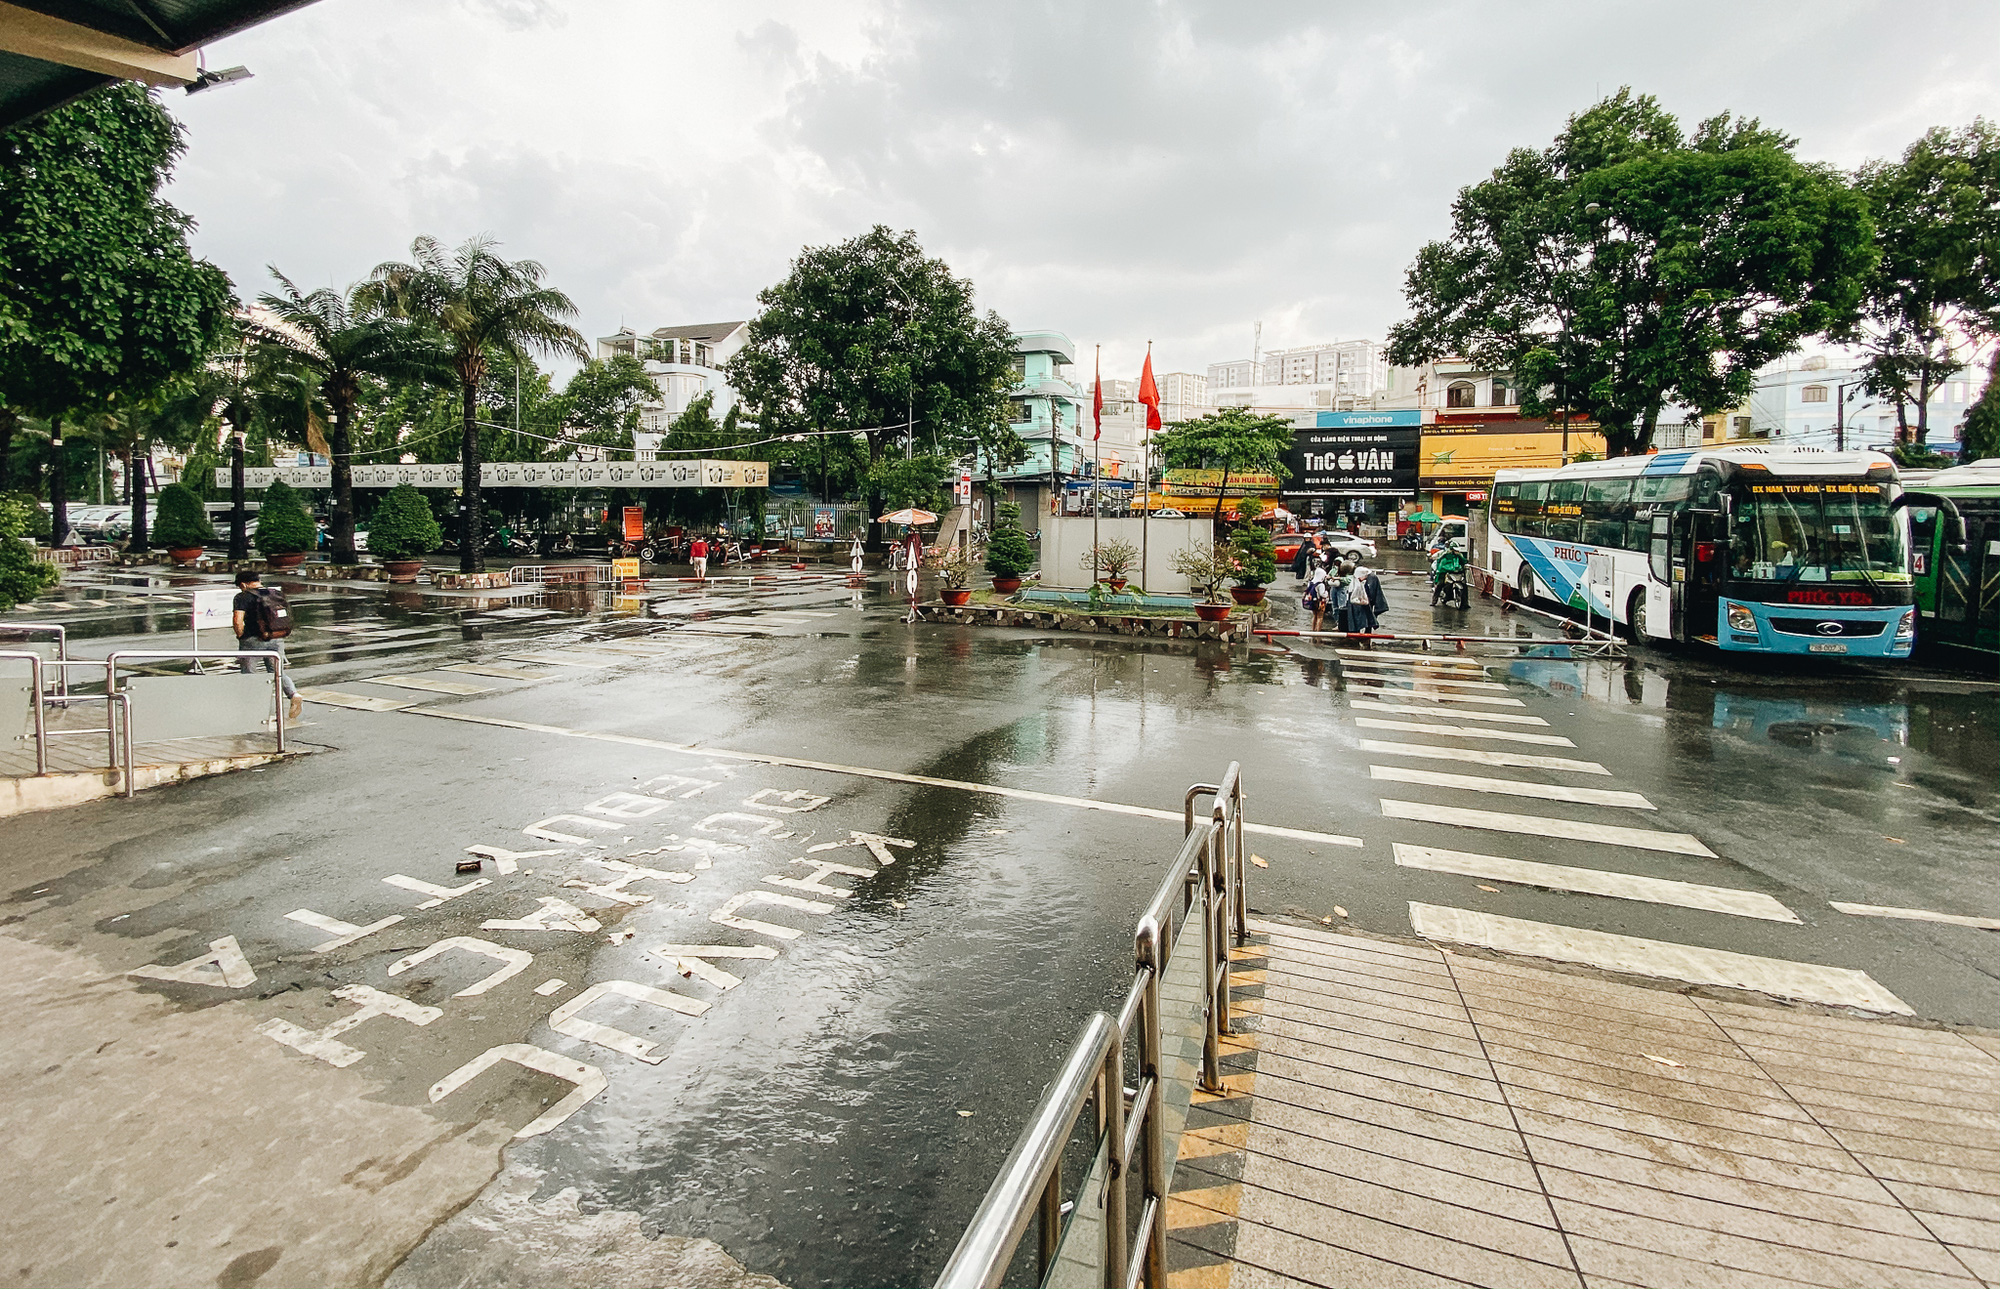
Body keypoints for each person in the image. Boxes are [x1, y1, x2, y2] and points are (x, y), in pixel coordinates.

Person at [232, 569, 302, 721]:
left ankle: (252, 707)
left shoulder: (242, 596)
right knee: (278, 672)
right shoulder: (274, 593)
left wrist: (241, 636)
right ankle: (294, 694)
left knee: (248, 673)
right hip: (276, 637)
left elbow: (238, 619)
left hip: (252, 640)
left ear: (243, 584)